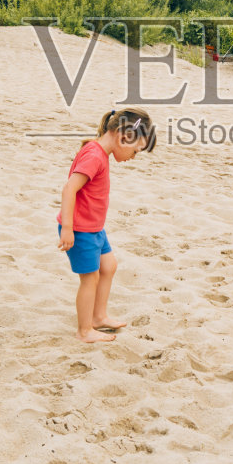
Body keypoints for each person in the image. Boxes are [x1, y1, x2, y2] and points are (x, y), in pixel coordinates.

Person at [57, 108, 156, 343]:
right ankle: (84, 330)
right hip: (80, 230)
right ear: (124, 137)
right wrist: (68, 228)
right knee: (89, 278)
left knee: (109, 266)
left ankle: (99, 316)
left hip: (94, 228)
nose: (133, 156)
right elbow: (69, 188)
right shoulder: (94, 156)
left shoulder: (100, 153)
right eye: (135, 151)